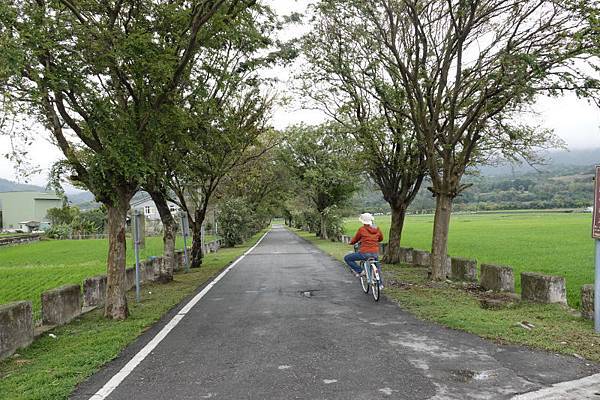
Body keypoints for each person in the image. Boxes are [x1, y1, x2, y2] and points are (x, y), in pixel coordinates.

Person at [344, 212, 384, 287]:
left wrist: (350, 242)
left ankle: (361, 271)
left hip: (364, 253)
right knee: (377, 267)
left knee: (347, 258)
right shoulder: (377, 228)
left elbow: (355, 239)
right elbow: (381, 238)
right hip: (375, 253)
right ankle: (380, 284)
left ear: (363, 221)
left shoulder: (362, 229)